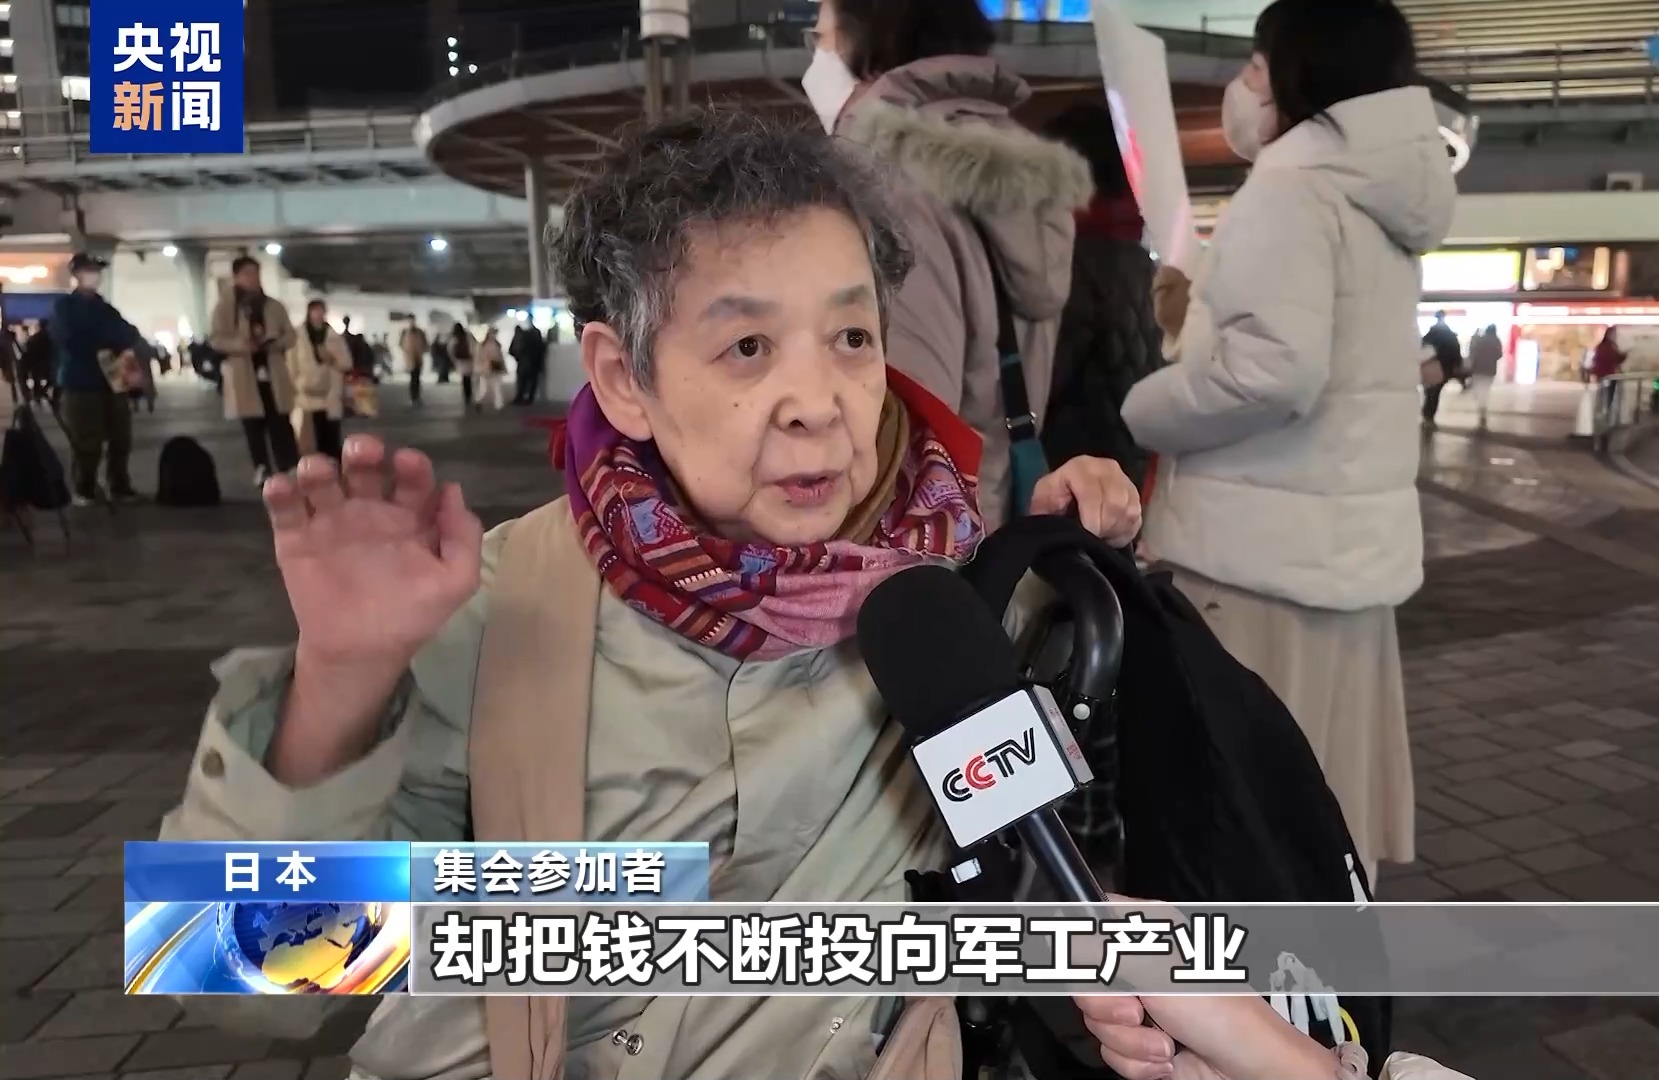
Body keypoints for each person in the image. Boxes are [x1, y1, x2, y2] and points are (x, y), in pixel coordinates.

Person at [157, 108, 1141, 1078]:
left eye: (851, 336)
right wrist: (340, 678)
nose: (818, 403)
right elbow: (245, 979)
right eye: (748, 347)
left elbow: (1045, 879)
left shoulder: (947, 601)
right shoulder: (502, 610)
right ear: (624, 378)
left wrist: (1063, 556)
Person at [1123, 0, 1453, 883]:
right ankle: (1329, 966)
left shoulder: (1291, 184)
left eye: (1257, 66)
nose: (1243, 86)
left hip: (1256, 563)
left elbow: (1273, 373)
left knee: (1250, 807)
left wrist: (1146, 408)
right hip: (1345, 563)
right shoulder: (1379, 194)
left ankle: (1259, 970)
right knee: (1325, 805)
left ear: (1301, 72)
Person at [804, 0, 1093, 529]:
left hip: (918, 538)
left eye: (820, 39)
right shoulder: (1013, 164)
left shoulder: (883, 178)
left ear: (864, 43)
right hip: (994, 513)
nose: (814, 58)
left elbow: (905, 418)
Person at [1041, 100, 1164, 493]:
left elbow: (1044, 383)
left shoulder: (1072, 265)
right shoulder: (1141, 263)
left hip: (1074, 475)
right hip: (1128, 472)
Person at [51, 253, 145, 504]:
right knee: (86, 440)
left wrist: (103, 337)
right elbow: (71, 339)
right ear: (76, 274)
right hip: (80, 380)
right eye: (89, 270)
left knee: (121, 436)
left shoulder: (105, 308)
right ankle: (85, 487)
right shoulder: (65, 307)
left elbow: (129, 333)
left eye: (97, 270)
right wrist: (106, 339)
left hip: (113, 378)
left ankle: (119, 485)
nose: (95, 275)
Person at [209, 255, 300, 487]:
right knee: (253, 425)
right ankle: (261, 467)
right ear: (236, 277)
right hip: (245, 374)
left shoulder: (274, 306)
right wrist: (241, 345)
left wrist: (275, 342)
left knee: (280, 421)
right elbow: (216, 339)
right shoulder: (225, 307)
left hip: (273, 371)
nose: (253, 278)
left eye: (256, 273)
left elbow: (290, 335)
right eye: (247, 273)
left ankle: (289, 465)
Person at [288, 299, 354, 460]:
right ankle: (314, 466)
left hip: (331, 392)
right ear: (309, 313)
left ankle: (333, 465)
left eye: (321, 311)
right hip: (307, 393)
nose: (318, 314)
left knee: (331, 435)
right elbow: (291, 364)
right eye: (315, 311)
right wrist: (295, 384)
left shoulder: (333, 336)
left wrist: (331, 359)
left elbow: (347, 363)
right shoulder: (298, 335)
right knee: (310, 437)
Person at [1420, 311, 1463, 429]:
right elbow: (1456, 352)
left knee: (1429, 392)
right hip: (1445, 368)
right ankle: (1429, 415)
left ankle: (1427, 414)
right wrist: (1457, 365)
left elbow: (1422, 350)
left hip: (1430, 367)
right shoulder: (1450, 336)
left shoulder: (1430, 335)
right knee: (1435, 392)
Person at [1467, 324, 1503, 430]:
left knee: (1478, 390)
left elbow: (1474, 353)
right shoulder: (1496, 340)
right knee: (1485, 390)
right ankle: (1482, 408)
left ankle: (1481, 408)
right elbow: (1499, 354)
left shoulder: (1480, 340)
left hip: (1478, 369)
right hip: (1490, 370)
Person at [509, 319, 547, 404]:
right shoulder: (536, 336)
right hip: (534, 363)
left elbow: (513, 350)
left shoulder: (521, 335)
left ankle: (520, 397)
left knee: (522, 381)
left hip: (523, 363)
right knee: (532, 381)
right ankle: (529, 398)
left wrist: (518, 358)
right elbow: (542, 349)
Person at [475, 325, 507, 410]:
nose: (494, 335)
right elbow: (479, 358)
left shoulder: (497, 344)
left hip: (495, 368)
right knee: (484, 389)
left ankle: (499, 404)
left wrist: (503, 367)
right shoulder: (483, 345)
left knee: (497, 387)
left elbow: (500, 357)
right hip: (486, 369)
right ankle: (479, 400)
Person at [398, 317, 429, 406]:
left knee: (417, 378)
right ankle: (413, 397)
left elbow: (425, 344)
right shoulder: (405, 332)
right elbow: (401, 344)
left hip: (418, 358)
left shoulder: (419, 332)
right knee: (413, 378)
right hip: (410, 359)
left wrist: (421, 350)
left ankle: (416, 397)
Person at [448, 322, 476, 411]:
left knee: (464, 378)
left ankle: (467, 396)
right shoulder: (468, 336)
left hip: (460, 361)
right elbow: (473, 346)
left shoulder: (454, 337)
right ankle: (469, 395)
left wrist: (454, 360)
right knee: (468, 378)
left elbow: (450, 350)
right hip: (468, 360)